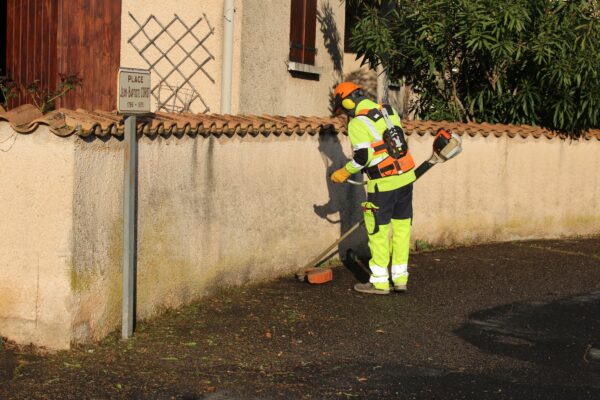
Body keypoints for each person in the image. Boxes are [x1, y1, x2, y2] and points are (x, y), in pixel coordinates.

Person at [330, 82, 416, 295]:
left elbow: (362, 158)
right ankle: (400, 279)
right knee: (402, 229)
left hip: (383, 184)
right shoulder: (387, 110)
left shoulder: (358, 123)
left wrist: (344, 172)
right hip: (405, 179)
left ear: (348, 102)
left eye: (343, 108)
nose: (345, 113)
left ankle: (379, 282)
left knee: (378, 231)